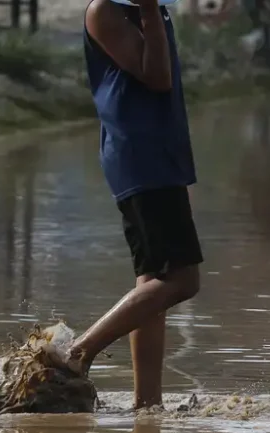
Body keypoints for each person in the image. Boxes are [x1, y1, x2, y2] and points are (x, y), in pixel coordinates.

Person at [50, 0, 203, 410]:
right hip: (142, 156)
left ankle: (147, 404)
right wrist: (151, 12)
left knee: (154, 279)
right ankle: (77, 353)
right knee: (183, 280)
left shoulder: (149, 10)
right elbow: (157, 77)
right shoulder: (107, 11)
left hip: (158, 154)